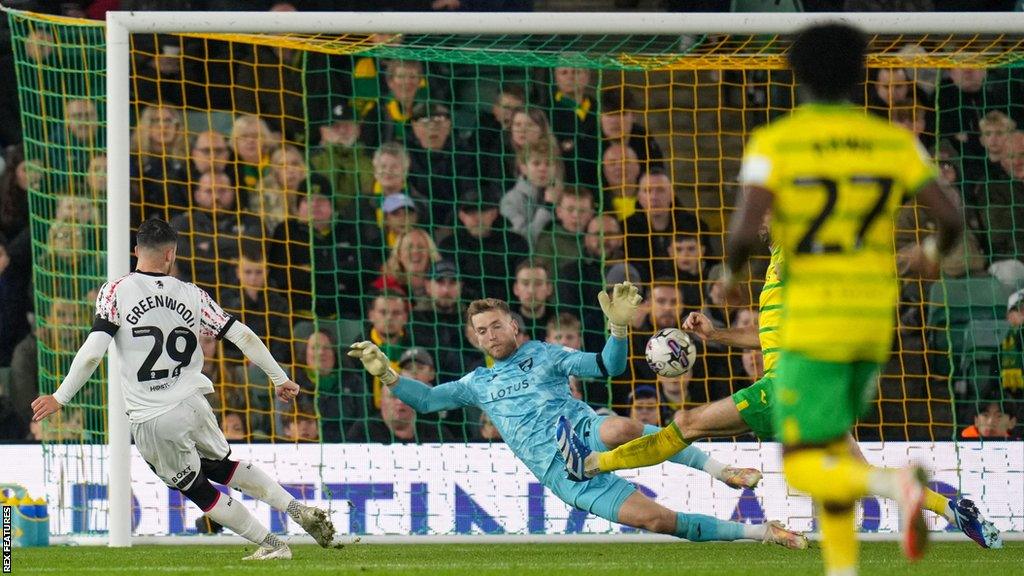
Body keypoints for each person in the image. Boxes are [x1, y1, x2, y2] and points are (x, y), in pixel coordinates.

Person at [726, 22, 968, 572]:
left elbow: (744, 233)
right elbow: (951, 218)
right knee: (834, 448)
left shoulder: (776, 142)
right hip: (873, 320)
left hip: (812, 320)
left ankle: (896, 482)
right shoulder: (893, 141)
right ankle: (843, 567)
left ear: (796, 76)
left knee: (802, 464)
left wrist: (727, 272)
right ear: (861, 76)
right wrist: (929, 254)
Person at [348, 283, 806, 547]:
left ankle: (721, 469)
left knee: (619, 427)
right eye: (480, 331)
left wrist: (618, 327)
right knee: (658, 522)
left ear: (514, 324)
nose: (489, 335)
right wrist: (388, 375)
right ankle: (762, 532)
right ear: (475, 339)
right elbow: (426, 402)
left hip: (581, 431)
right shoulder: (477, 384)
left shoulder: (546, 355)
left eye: (495, 326)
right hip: (560, 475)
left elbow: (609, 366)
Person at [29, 218, 335, 560]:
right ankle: (295, 509)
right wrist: (280, 377)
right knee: (221, 466)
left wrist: (60, 397)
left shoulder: (115, 291)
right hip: (194, 401)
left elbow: (91, 353)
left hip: (153, 415)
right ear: (171, 254)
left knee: (197, 488)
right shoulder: (192, 294)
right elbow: (243, 335)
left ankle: (273, 544)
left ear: (136, 251)